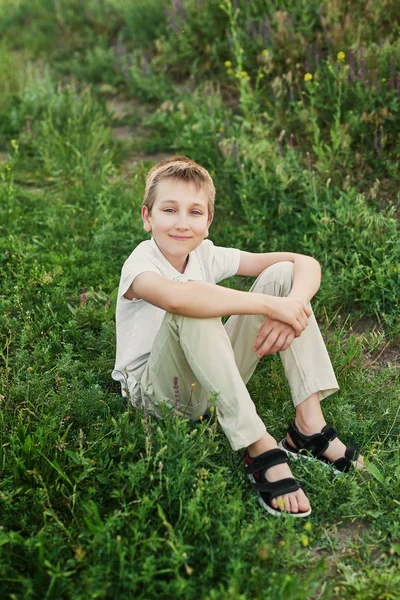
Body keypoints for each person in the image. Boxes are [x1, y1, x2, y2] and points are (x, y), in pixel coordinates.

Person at [112, 155, 364, 517]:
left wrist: (291, 304)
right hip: (160, 395)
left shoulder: (205, 254)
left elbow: (304, 263)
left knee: (281, 274)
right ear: (147, 217)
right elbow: (180, 297)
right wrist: (269, 307)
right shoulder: (140, 265)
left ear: (208, 221)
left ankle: (308, 427)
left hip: (209, 377)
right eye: (170, 210)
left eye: (195, 212)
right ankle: (258, 444)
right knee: (191, 304)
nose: (182, 223)